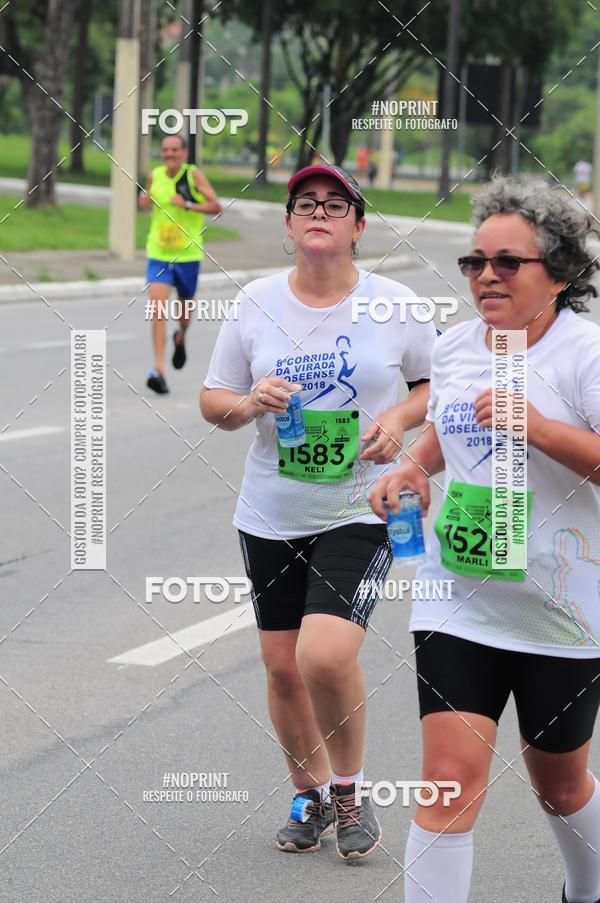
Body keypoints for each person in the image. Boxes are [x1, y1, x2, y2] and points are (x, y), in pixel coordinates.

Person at [369, 174, 600, 902]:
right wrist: (413, 466)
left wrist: (539, 427)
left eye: (507, 262)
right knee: (447, 783)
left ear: (557, 273)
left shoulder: (585, 354)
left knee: (560, 785)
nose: (485, 275)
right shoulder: (457, 347)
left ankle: (587, 890)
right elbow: (446, 427)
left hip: (562, 610)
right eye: (474, 261)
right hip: (459, 597)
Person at [200, 164, 436, 859]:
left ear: (358, 226)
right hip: (271, 510)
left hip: (364, 503)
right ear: (289, 223)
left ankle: (351, 792)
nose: (320, 214)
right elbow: (214, 401)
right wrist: (250, 402)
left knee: (324, 656)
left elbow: (436, 384)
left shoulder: (394, 304)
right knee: (282, 668)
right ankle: (309, 791)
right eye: (306, 203)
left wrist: (399, 418)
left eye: (336, 205)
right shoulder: (255, 302)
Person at [139, 134, 222, 394]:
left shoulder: (193, 175)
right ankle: (159, 370)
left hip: (187, 255)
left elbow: (216, 206)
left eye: (174, 150)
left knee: (184, 316)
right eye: (165, 150)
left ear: (184, 153)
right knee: (157, 310)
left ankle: (181, 336)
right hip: (159, 253)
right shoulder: (155, 175)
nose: (169, 154)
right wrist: (144, 201)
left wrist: (186, 203)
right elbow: (144, 202)